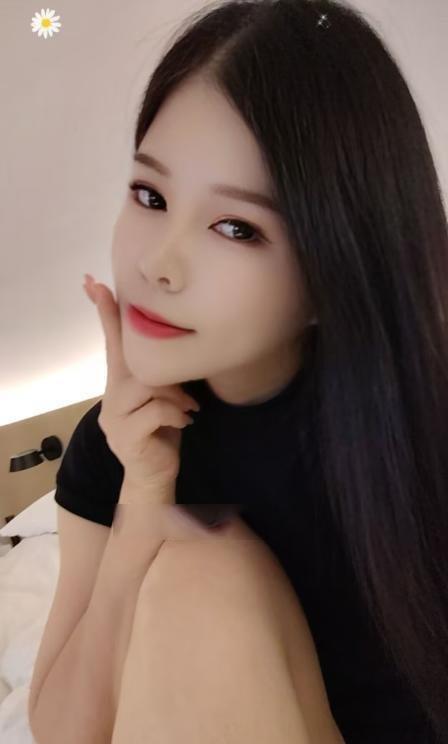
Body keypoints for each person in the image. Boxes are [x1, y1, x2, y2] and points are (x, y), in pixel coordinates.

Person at [53, 0, 448, 741]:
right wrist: (144, 496)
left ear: (338, 264)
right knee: (197, 559)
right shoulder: (117, 444)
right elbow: (66, 730)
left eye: (236, 227)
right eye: (150, 195)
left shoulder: (420, 426)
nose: (159, 263)